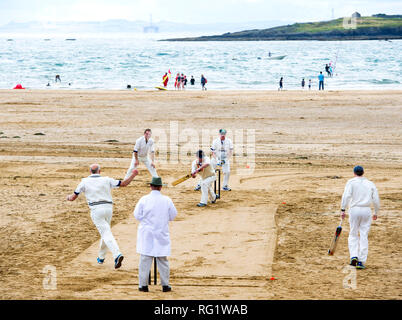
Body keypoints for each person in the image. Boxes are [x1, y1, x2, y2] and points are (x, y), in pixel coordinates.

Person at [66, 164, 138, 269]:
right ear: (100, 171)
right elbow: (124, 183)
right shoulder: (106, 179)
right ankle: (101, 257)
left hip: (96, 209)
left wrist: (68, 197)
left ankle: (117, 254)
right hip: (108, 208)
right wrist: (133, 175)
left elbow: (73, 197)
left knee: (106, 233)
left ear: (90, 171)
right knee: (106, 232)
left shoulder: (84, 181)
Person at [134, 176, 177, 292]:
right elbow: (173, 215)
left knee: (145, 259)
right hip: (161, 231)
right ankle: (165, 285)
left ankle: (143, 285)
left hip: (147, 232)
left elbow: (137, 215)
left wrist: (146, 220)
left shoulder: (144, 199)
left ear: (151, 186)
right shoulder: (167, 200)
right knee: (162, 260)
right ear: (161, 187)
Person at [340, 166, 380, 269]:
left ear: (354, 173)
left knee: (353, 233)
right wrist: (376, 212)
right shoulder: (370, 183)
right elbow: (375, 199)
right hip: (366, 210)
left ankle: (354, 256)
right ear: (363, 172)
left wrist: (343, 209)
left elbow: (346, 196)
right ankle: (361, 261)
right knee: (363, 235)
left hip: (354, 209)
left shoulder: (351, 182)